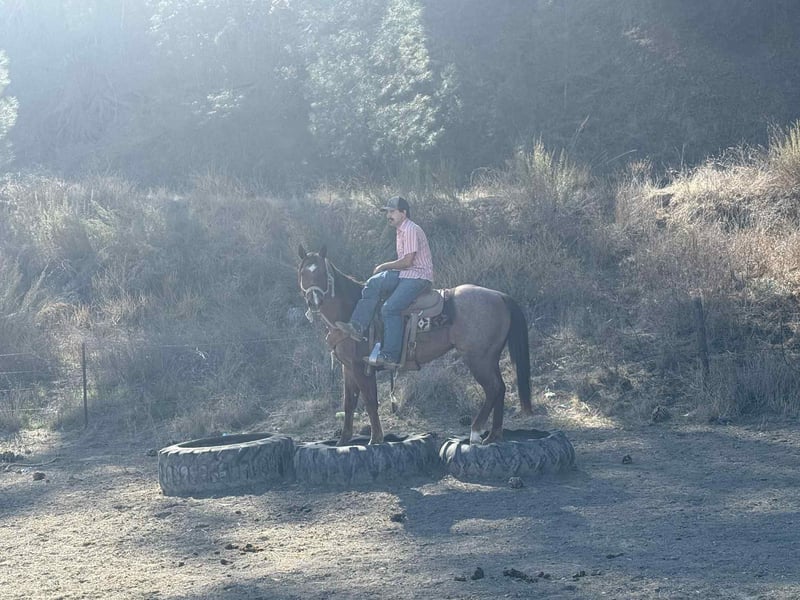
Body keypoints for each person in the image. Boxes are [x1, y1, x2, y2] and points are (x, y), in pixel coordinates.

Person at [336, 196, 434, 367]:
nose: (388, 216)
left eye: (392, 212)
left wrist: (383, 266)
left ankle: (390, 356)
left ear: (403, 213)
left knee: (389, 309)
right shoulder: (400, 230)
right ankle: (357, 326)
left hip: (418, 276)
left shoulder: (410, 229)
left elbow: (407, 261)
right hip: (405, 274)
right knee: (373, 283)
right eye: (387, 212)